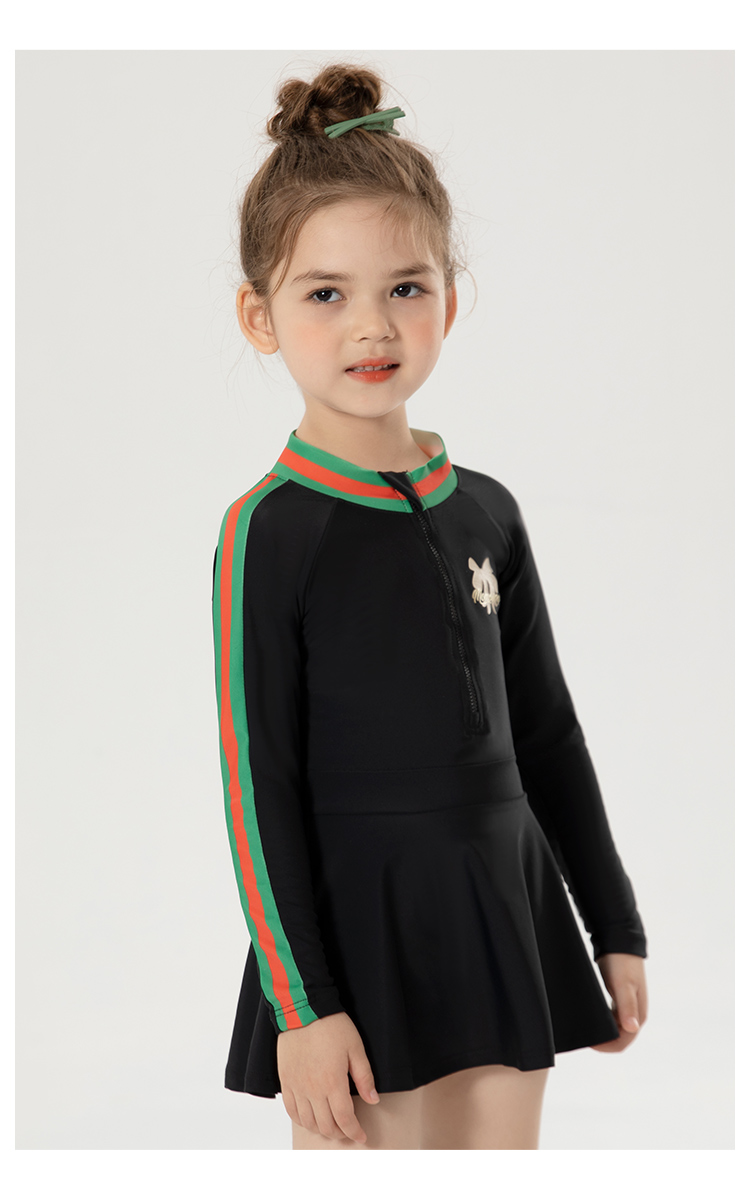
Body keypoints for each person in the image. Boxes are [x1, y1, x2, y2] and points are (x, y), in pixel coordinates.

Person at [211, 62, 649, 1151]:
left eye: (405, 288)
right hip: (357, 938)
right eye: (326, 294)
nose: (373, 326)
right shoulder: (269, 530)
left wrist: (614, 921)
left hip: (504, 908)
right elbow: (259, 786)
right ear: (260, 316)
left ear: (450, 300)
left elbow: (548, 732)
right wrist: (303, 1007)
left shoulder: (487, 510)